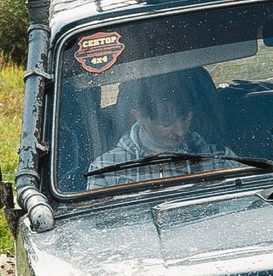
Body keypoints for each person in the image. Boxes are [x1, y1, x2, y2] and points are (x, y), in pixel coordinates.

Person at [86, 67, 223, 187]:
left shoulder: (219, 158)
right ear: (138, 117)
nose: (180, 131)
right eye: (166, 124)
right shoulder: (104, 170)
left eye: (186, 118)